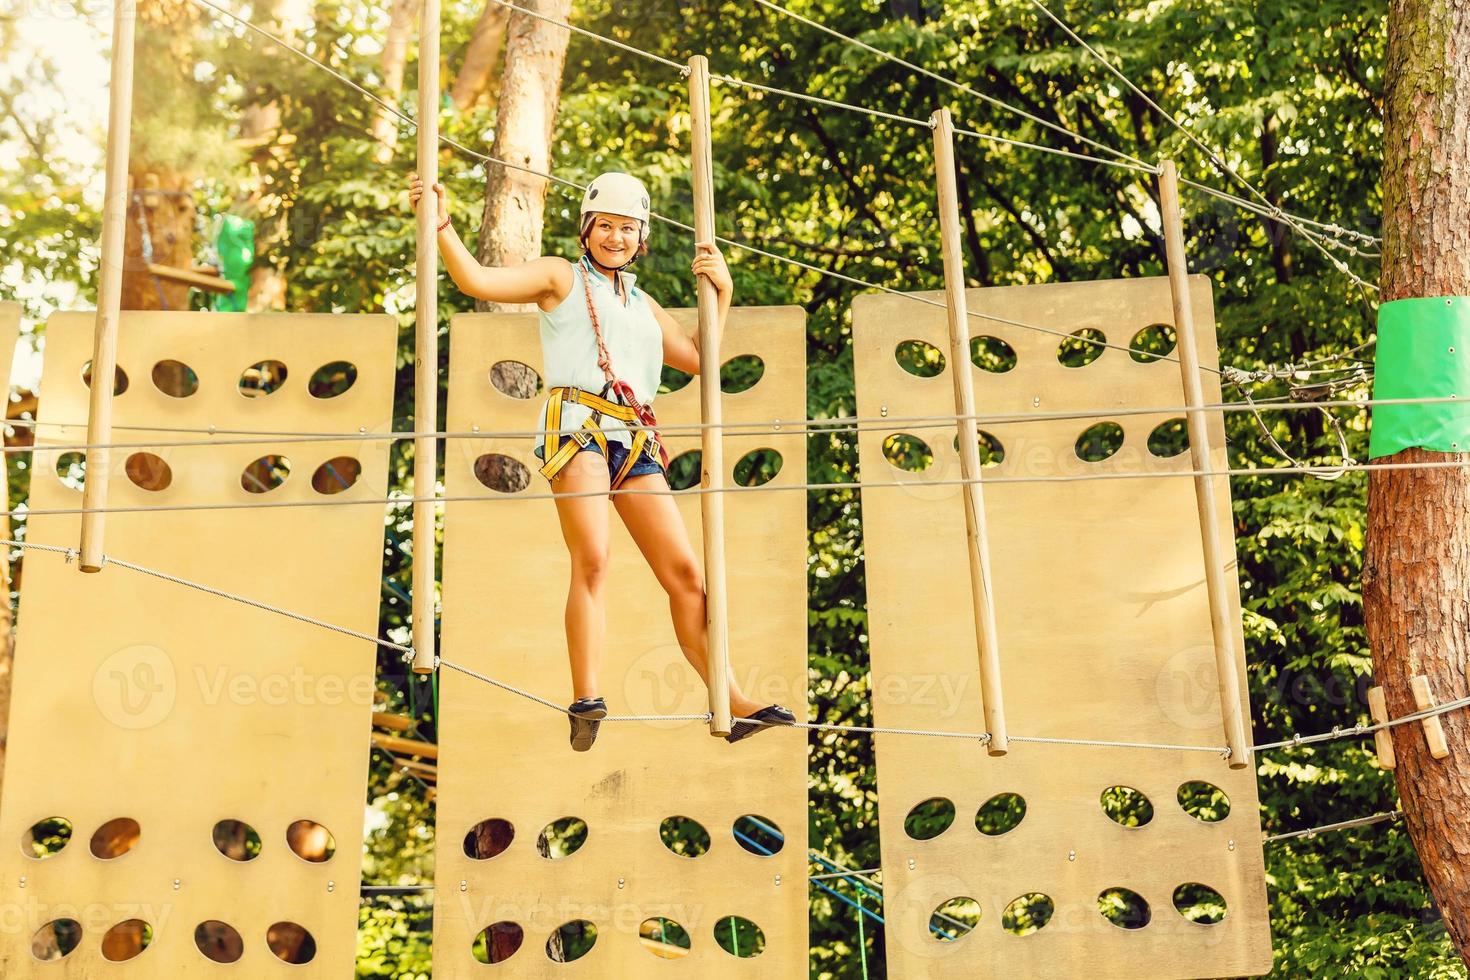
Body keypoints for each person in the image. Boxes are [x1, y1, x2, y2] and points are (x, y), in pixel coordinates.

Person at [409, 170, 795, 751]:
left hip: (633, 441)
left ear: (641, 238)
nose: (615, 237)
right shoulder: (559, 277)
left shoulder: (641, 303)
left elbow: (697, 359)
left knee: (689, 578)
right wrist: (438, 222)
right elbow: (476, 280)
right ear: (587, 230)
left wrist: (724, 294)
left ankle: (733, 698)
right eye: (605, 226)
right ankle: (586, 697)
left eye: (627, 228)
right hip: (578, 429)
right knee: (594, 557)